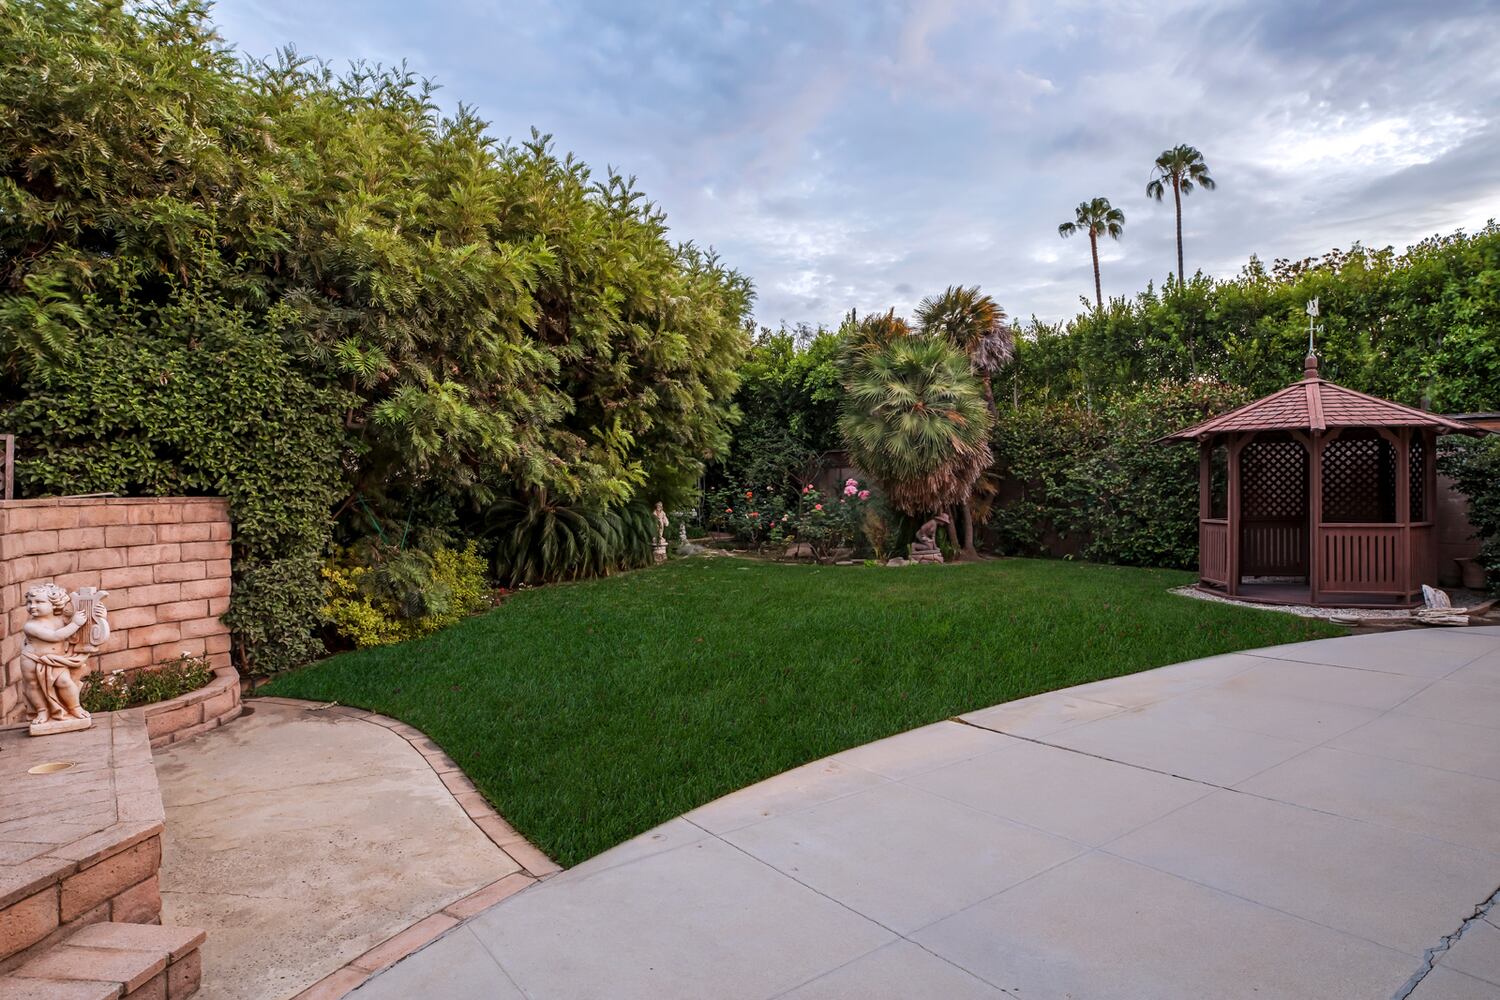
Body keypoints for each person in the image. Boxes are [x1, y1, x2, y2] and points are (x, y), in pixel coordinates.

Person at [20, 583, 106, 727]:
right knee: (33, 685)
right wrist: (75, 624)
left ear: (54, 604)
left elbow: (83, 627)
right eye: (29, 602)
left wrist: (101, 615)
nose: (32, 606)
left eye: (39, 602)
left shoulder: (61, 620)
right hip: (32, 660)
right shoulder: (31, 625)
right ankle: (42, 710)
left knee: (64, 682)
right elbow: (55, 636)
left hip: (56, 660)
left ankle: (75, 707)